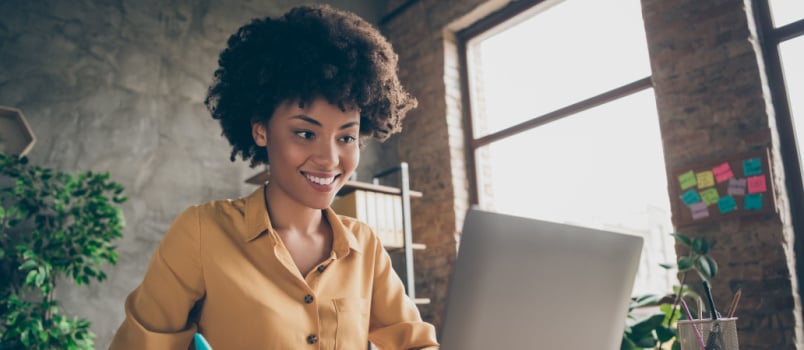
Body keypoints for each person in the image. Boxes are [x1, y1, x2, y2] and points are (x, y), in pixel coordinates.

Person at [109, 4, 439, 349]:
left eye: (346, 137)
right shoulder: (202, 234)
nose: (329, 159)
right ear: (261, 131)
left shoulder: (365, 246)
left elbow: (416, 344)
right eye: (305, 133)